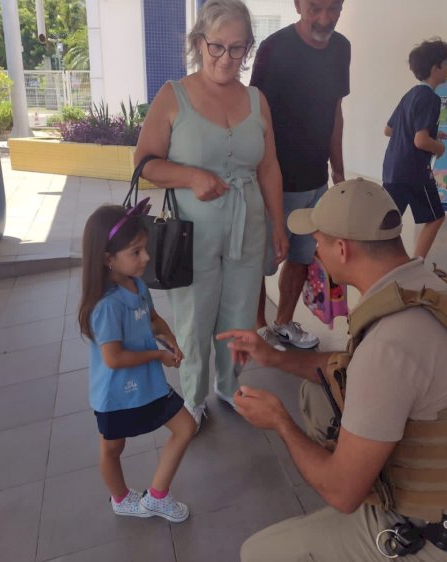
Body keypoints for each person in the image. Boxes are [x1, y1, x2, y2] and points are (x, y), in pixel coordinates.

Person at [218, 178, 447, 561]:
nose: (315, 252)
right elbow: (347, 368)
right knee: (318, 392)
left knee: (258, 553)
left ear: (343, 249)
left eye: (318, 242)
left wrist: (279, 421)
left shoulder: (390, 342)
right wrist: (274, 357)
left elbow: (342, 494)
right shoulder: (434, 288)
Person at [134, 0, 287, 431]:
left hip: (248, 226)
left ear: (248, 49)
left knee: (239, 312)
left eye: (238, 49)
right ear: (199, 43)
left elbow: (269, 167)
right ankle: (193, 394)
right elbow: (144, 162)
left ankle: (229, 383)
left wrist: (278, 224)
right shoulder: (173, 95)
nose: (226, 58)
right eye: (217, 46)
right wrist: (188, 176)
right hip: (191, 234)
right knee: (195, 315)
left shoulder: (257, 100)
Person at [78, 205, 195, 521]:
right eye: (136, 252)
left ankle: (157, 496)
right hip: (116, 395)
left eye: (145, 249)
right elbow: (113, 359)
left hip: (149, 385)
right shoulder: (106, 306)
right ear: (107, 259)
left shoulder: (138, 284)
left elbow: (153, 320)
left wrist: (169, 338)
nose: (145, 258)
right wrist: (158, 355)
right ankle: (120, 498)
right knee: (112, 449)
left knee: (185, 427)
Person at [251, 0, 350, 351]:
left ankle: (282, 325)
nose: (325, 18)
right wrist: (264, 175)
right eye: (315, 8)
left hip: (316, 181)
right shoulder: (274, 49)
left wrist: (338, 171)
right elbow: (257, 118)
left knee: (301, 256)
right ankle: (260, 327)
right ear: (297, 4)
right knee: (260, 262)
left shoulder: (341, 48)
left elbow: (335, 113)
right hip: (273, 180)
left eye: (334, 8)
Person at [383, 38, 447, 260]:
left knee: (389, 224)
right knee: (436, 217)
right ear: (435, 68)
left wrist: (431, 133)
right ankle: (416, 263)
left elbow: (389, 130)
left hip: (393, 169)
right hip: (415, 172)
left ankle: (380, 261)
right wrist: (439, 146)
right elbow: (420, 141)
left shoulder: (410, 94)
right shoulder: (430, 98)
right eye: (446, 63)